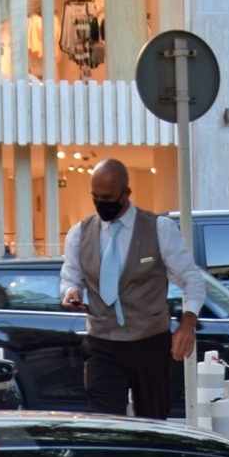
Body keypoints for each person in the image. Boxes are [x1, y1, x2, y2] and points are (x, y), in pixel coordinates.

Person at [56, 158, 200, 420]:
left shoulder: (159, 229)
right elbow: (70, 278)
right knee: (107, 426)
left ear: (126, 193)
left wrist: (187, 324)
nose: (101, 203)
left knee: (153, 424)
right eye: (95, 197)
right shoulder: (79, 234)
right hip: (102, 344)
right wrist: (70, 292)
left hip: (149, 344)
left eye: (108, 197)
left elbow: (191, 278)